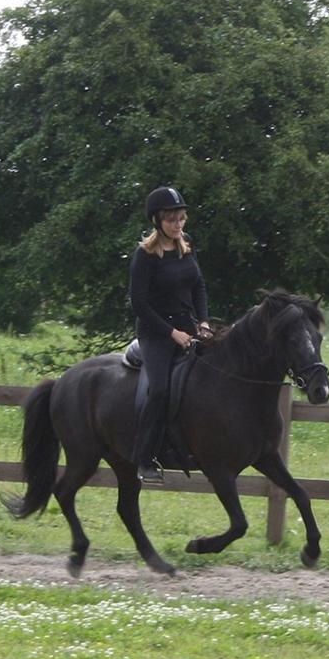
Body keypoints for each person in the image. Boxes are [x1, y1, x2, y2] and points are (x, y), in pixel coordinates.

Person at [128, 186, 211, 483]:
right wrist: (171, 332)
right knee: (160, 389)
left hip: (189, 328)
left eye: (181, 219)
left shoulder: (186, 246)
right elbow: (139, 303)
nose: (178, 225)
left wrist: (203, 322)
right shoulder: (145, 256)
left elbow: (198, 286)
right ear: (157, 222)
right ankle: (145, 457)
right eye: (172, 220)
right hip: (156, 333)